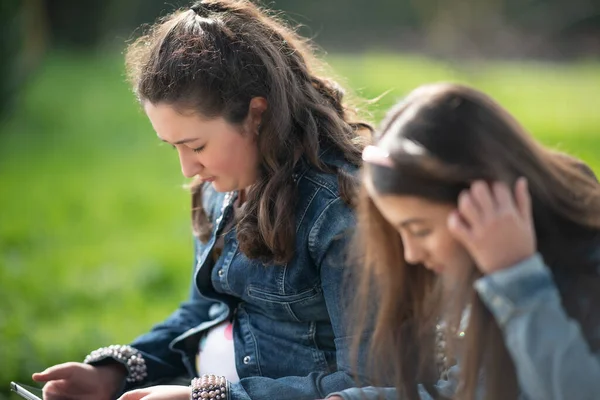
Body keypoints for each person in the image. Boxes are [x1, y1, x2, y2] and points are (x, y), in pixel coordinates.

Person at [32, 1, 373, 399]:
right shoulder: (223, 186)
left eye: (195, 145)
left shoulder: (339, 211)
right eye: (172, 147)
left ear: (255, 115)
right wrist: (114, 372)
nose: (187, 169)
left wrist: (210, 397)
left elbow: (367, 383)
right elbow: (207, 312)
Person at [329, 83, 600, 400]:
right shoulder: (485, 275)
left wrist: (517, 278)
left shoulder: (570, 267)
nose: (411, 254)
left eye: (420, 230)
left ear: (484, 201)